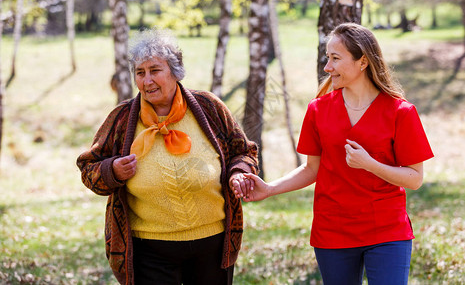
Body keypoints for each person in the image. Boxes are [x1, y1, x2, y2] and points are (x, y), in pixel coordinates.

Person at [233, 23, 433, 285]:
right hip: (333, 230)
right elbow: (311, 169)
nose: (328, 67)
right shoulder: (318, 110)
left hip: (386, 230)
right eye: (328, 57)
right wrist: (269, 189)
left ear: (363, 62)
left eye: (335, 58)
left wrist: (371, 165)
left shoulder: (400, 112)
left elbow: (414, 178)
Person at [77, 28, 258, 285]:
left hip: (212, 244)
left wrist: (239, 173)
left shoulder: (208, 107)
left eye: (155, 70)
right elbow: (88, 168)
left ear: (175, 71)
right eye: (140, 73)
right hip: (149, 249)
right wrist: (113, 171)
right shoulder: (122, 118)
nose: (147, 80)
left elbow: (243, 151)